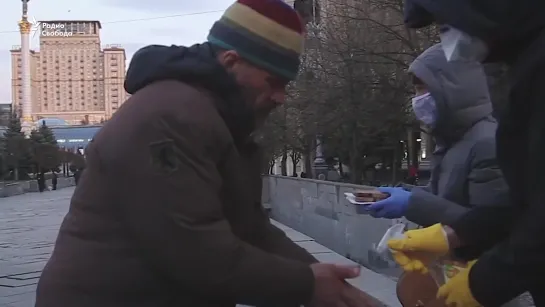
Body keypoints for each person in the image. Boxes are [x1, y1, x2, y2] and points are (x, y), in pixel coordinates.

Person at [35, 1, 374, 306]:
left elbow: (250, 229)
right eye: (274, 82)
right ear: (230, 62)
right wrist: (306, 285)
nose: (281, 97)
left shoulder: (217, 120)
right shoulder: (169, 117)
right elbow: (191, 250)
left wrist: (320, 274)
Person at [379, 1, 545, 306]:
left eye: (447, 22)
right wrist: (453, 235)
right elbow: (525, 200)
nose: (445, 35)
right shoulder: (523, 69)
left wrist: (483, 283)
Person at [367, 43, 508, 226]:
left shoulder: (487, 143)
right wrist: (403, 193)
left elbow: (486, 226)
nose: (417, 99)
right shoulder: (453, 140)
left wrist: (411, 204)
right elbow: (444, 196)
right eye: (416, 90)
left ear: (451, 88)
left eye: (422, 88)